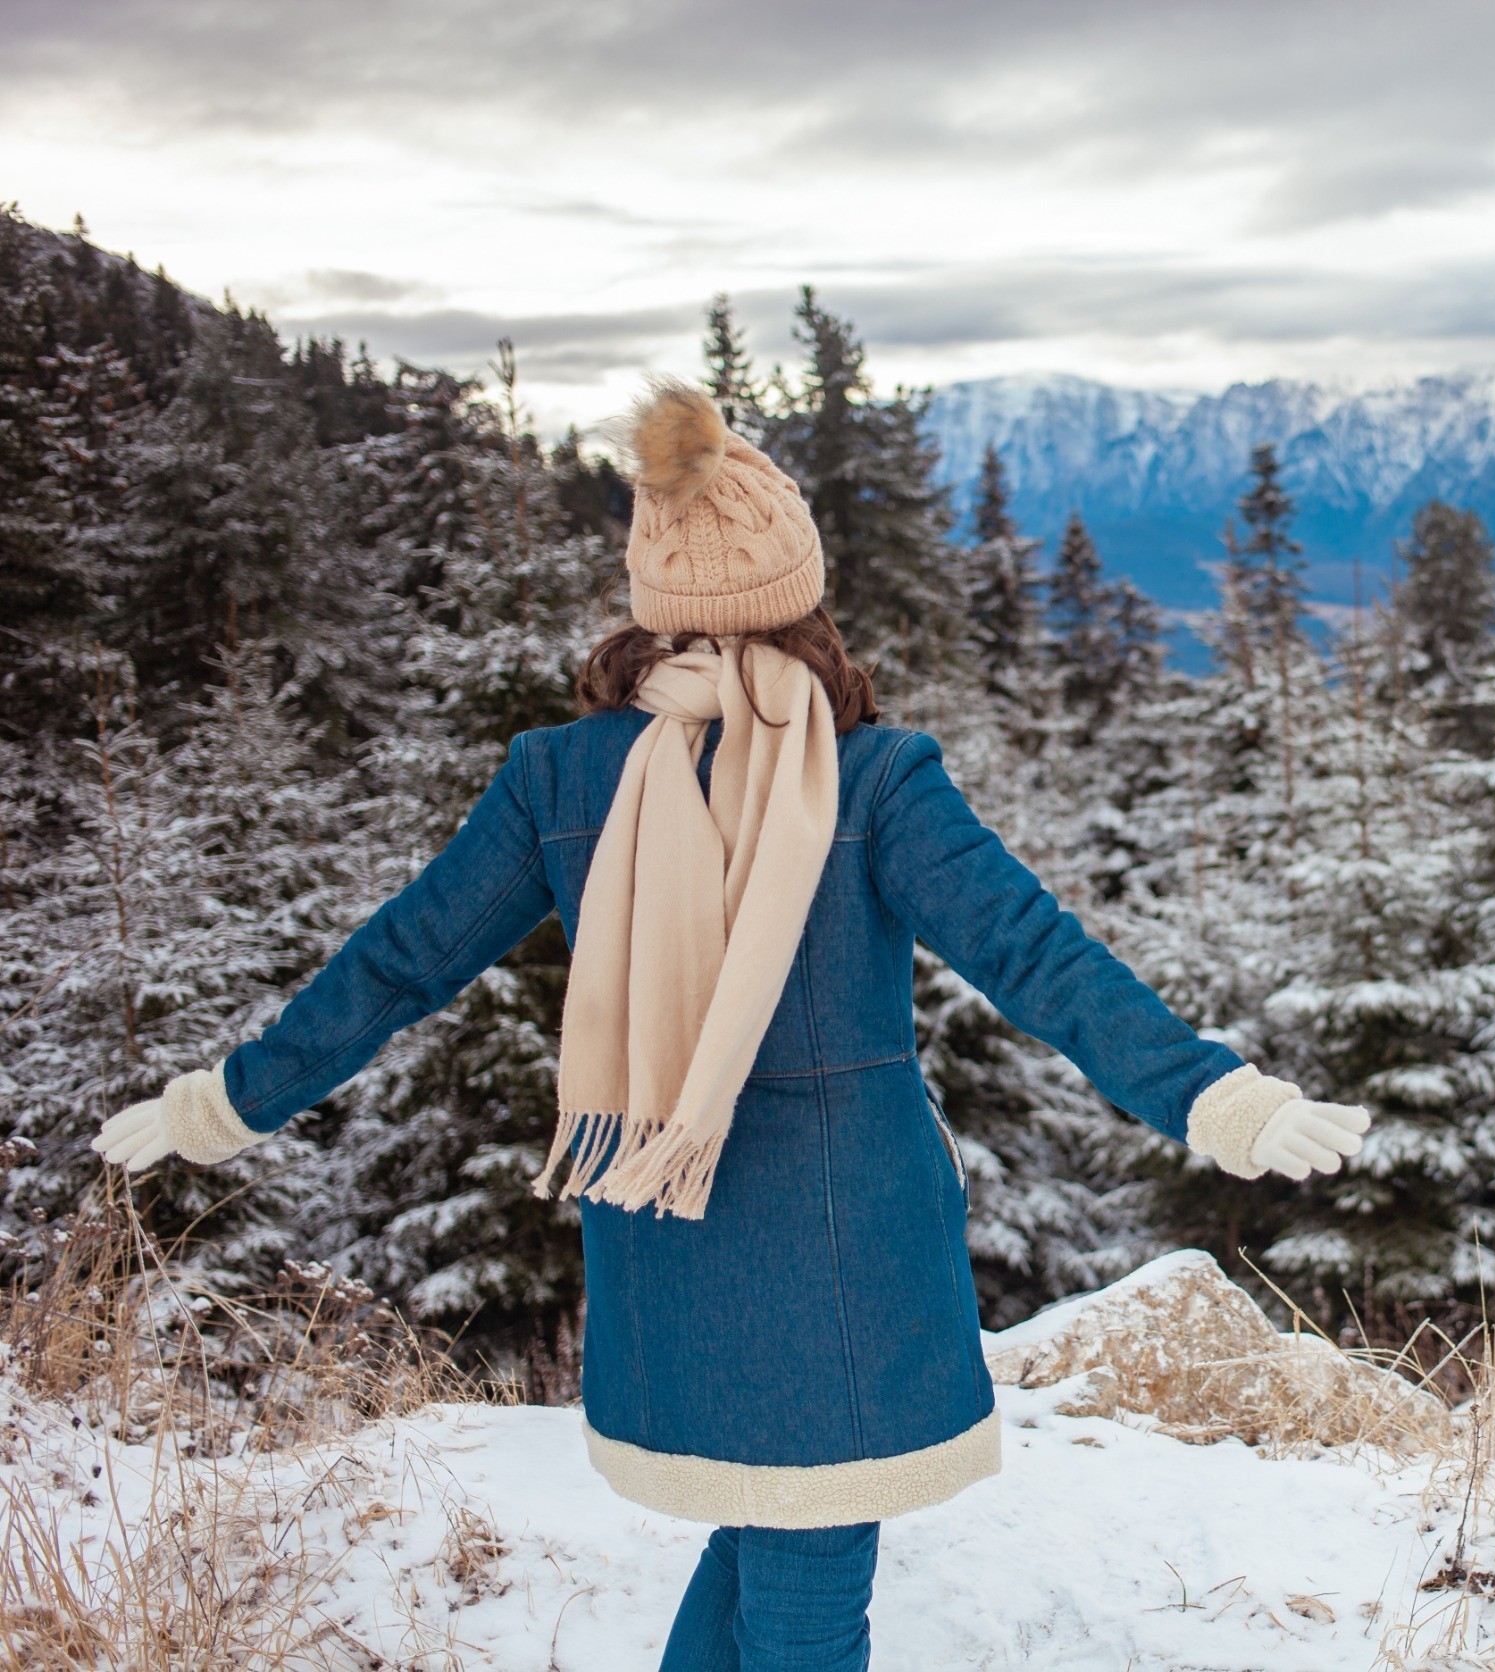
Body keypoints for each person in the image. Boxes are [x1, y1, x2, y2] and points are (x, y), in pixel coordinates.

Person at [89, 381, 1371, 1672]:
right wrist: (1210, 1093)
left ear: (651, 599)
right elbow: (1035, 956)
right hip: (849, 1241)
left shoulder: (562, 775)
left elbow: (401, 961)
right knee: (807, 1578)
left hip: (662, 1221)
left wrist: (234, 1098)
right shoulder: (874, 777)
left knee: (763, 1535)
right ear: (801, 593)